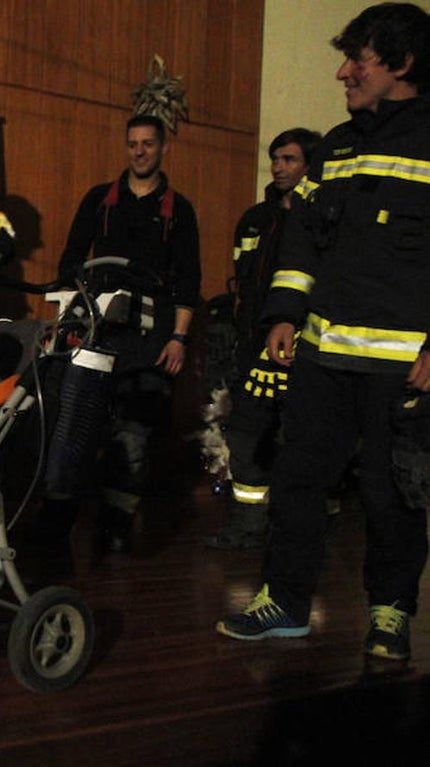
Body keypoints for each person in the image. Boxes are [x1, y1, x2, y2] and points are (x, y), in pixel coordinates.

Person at [217, 3, 430, 662]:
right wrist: (283, 314)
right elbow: (303, 240)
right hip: (323, 360)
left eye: (357, 59)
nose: (343, 72)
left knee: (390, 491)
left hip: (402, 369)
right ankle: (283, 598)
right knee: (299, 478)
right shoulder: (337, 146)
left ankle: (390, 611)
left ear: (401, 63)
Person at [56, 113, 201, 553]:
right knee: (80, 425)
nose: (139, 151)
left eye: (148, 144)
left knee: (134, 434)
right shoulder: (101, 200)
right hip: (97, 331)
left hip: (150, 340)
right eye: (133, 143)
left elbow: (188, 280)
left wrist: (178, 338)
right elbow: (70, 262)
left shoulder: (179, 210)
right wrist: (69, 322)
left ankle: (117, 520)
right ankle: (64, 516)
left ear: (163, 148)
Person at [204, 128, 322, 550]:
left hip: (301, 352)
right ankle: (247, 526)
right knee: (246, 433)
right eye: (275, 158)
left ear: (310, 164)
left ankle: (297, 530)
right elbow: (242, 281)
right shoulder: (256, 218)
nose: (278, 167)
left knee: (297, 441)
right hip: (253, 345)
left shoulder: (320, 216)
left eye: (289, 159)